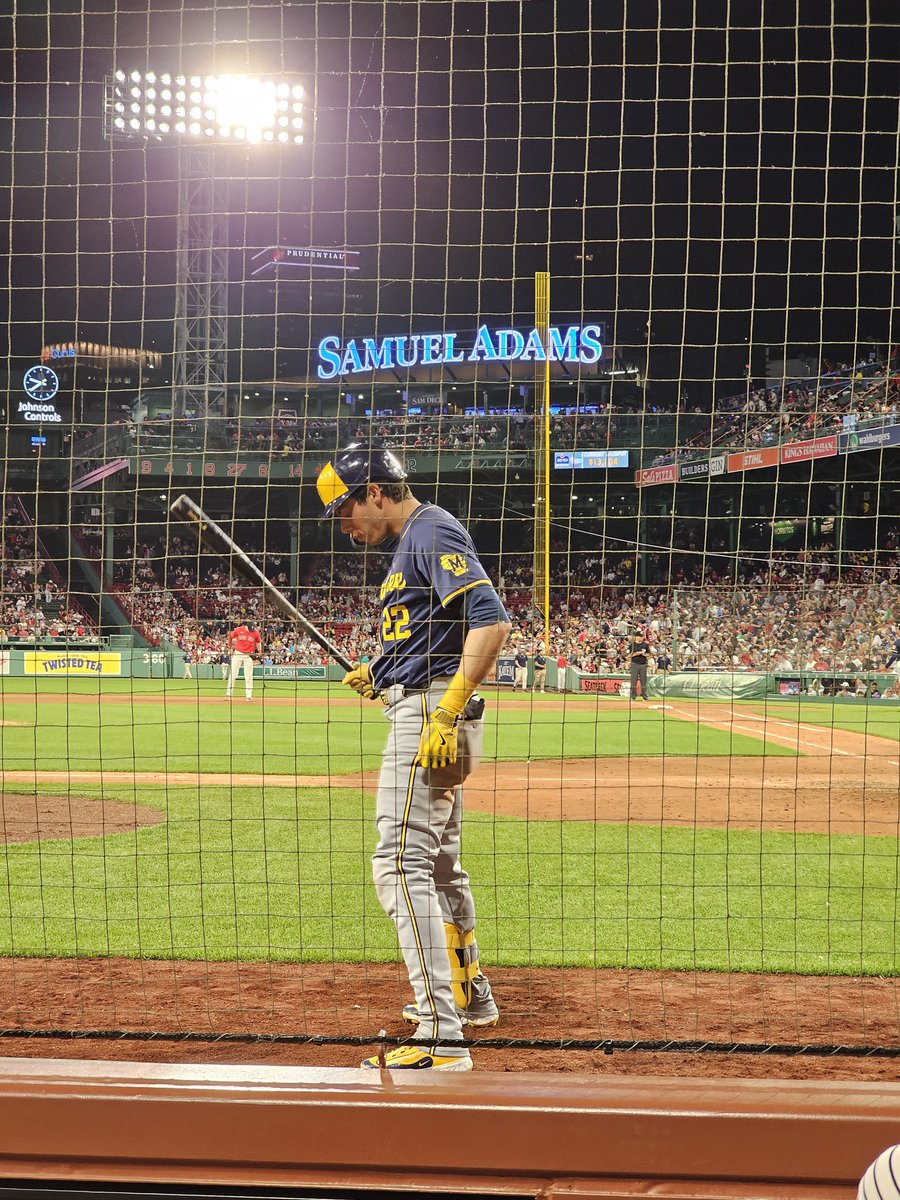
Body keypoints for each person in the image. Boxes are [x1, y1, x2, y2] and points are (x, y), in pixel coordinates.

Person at [317, 444, 510, 1072]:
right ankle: (467, 995)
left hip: (433, 715)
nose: (343, 525)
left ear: (375, 490)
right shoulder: (409, 545)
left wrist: (448, 709)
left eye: (344, 509)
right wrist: (381, 670)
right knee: (442, 864)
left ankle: (440, 1036)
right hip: (424, 702)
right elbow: (431, 633)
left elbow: (490, 623)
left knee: (397, 864)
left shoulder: (431, 528)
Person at [225, 622, 261, 700]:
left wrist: (260, 651)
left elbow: (258, 642)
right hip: (238, 653)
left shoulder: (255, 632)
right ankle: (229, 694)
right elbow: (230, 637)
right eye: (250, 629)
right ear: (246, 626)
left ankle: (248, 696)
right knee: (233, 674)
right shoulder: (239, 630)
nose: (252, 630)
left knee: (249, 676)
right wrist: (230, 647)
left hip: (249, 655)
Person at [629, 629, 650, 701]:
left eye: (641, 636)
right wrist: (635, 654)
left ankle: (645, 696)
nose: (640, 638)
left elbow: (649, 654)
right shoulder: (632, 645)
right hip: (635, 663)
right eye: (639, 636)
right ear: (636, 637)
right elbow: (627, 656)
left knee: (643, 681)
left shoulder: (645, 645)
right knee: (633, 681)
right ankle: (633, 696)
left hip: (643, 663)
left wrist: (644, 654)